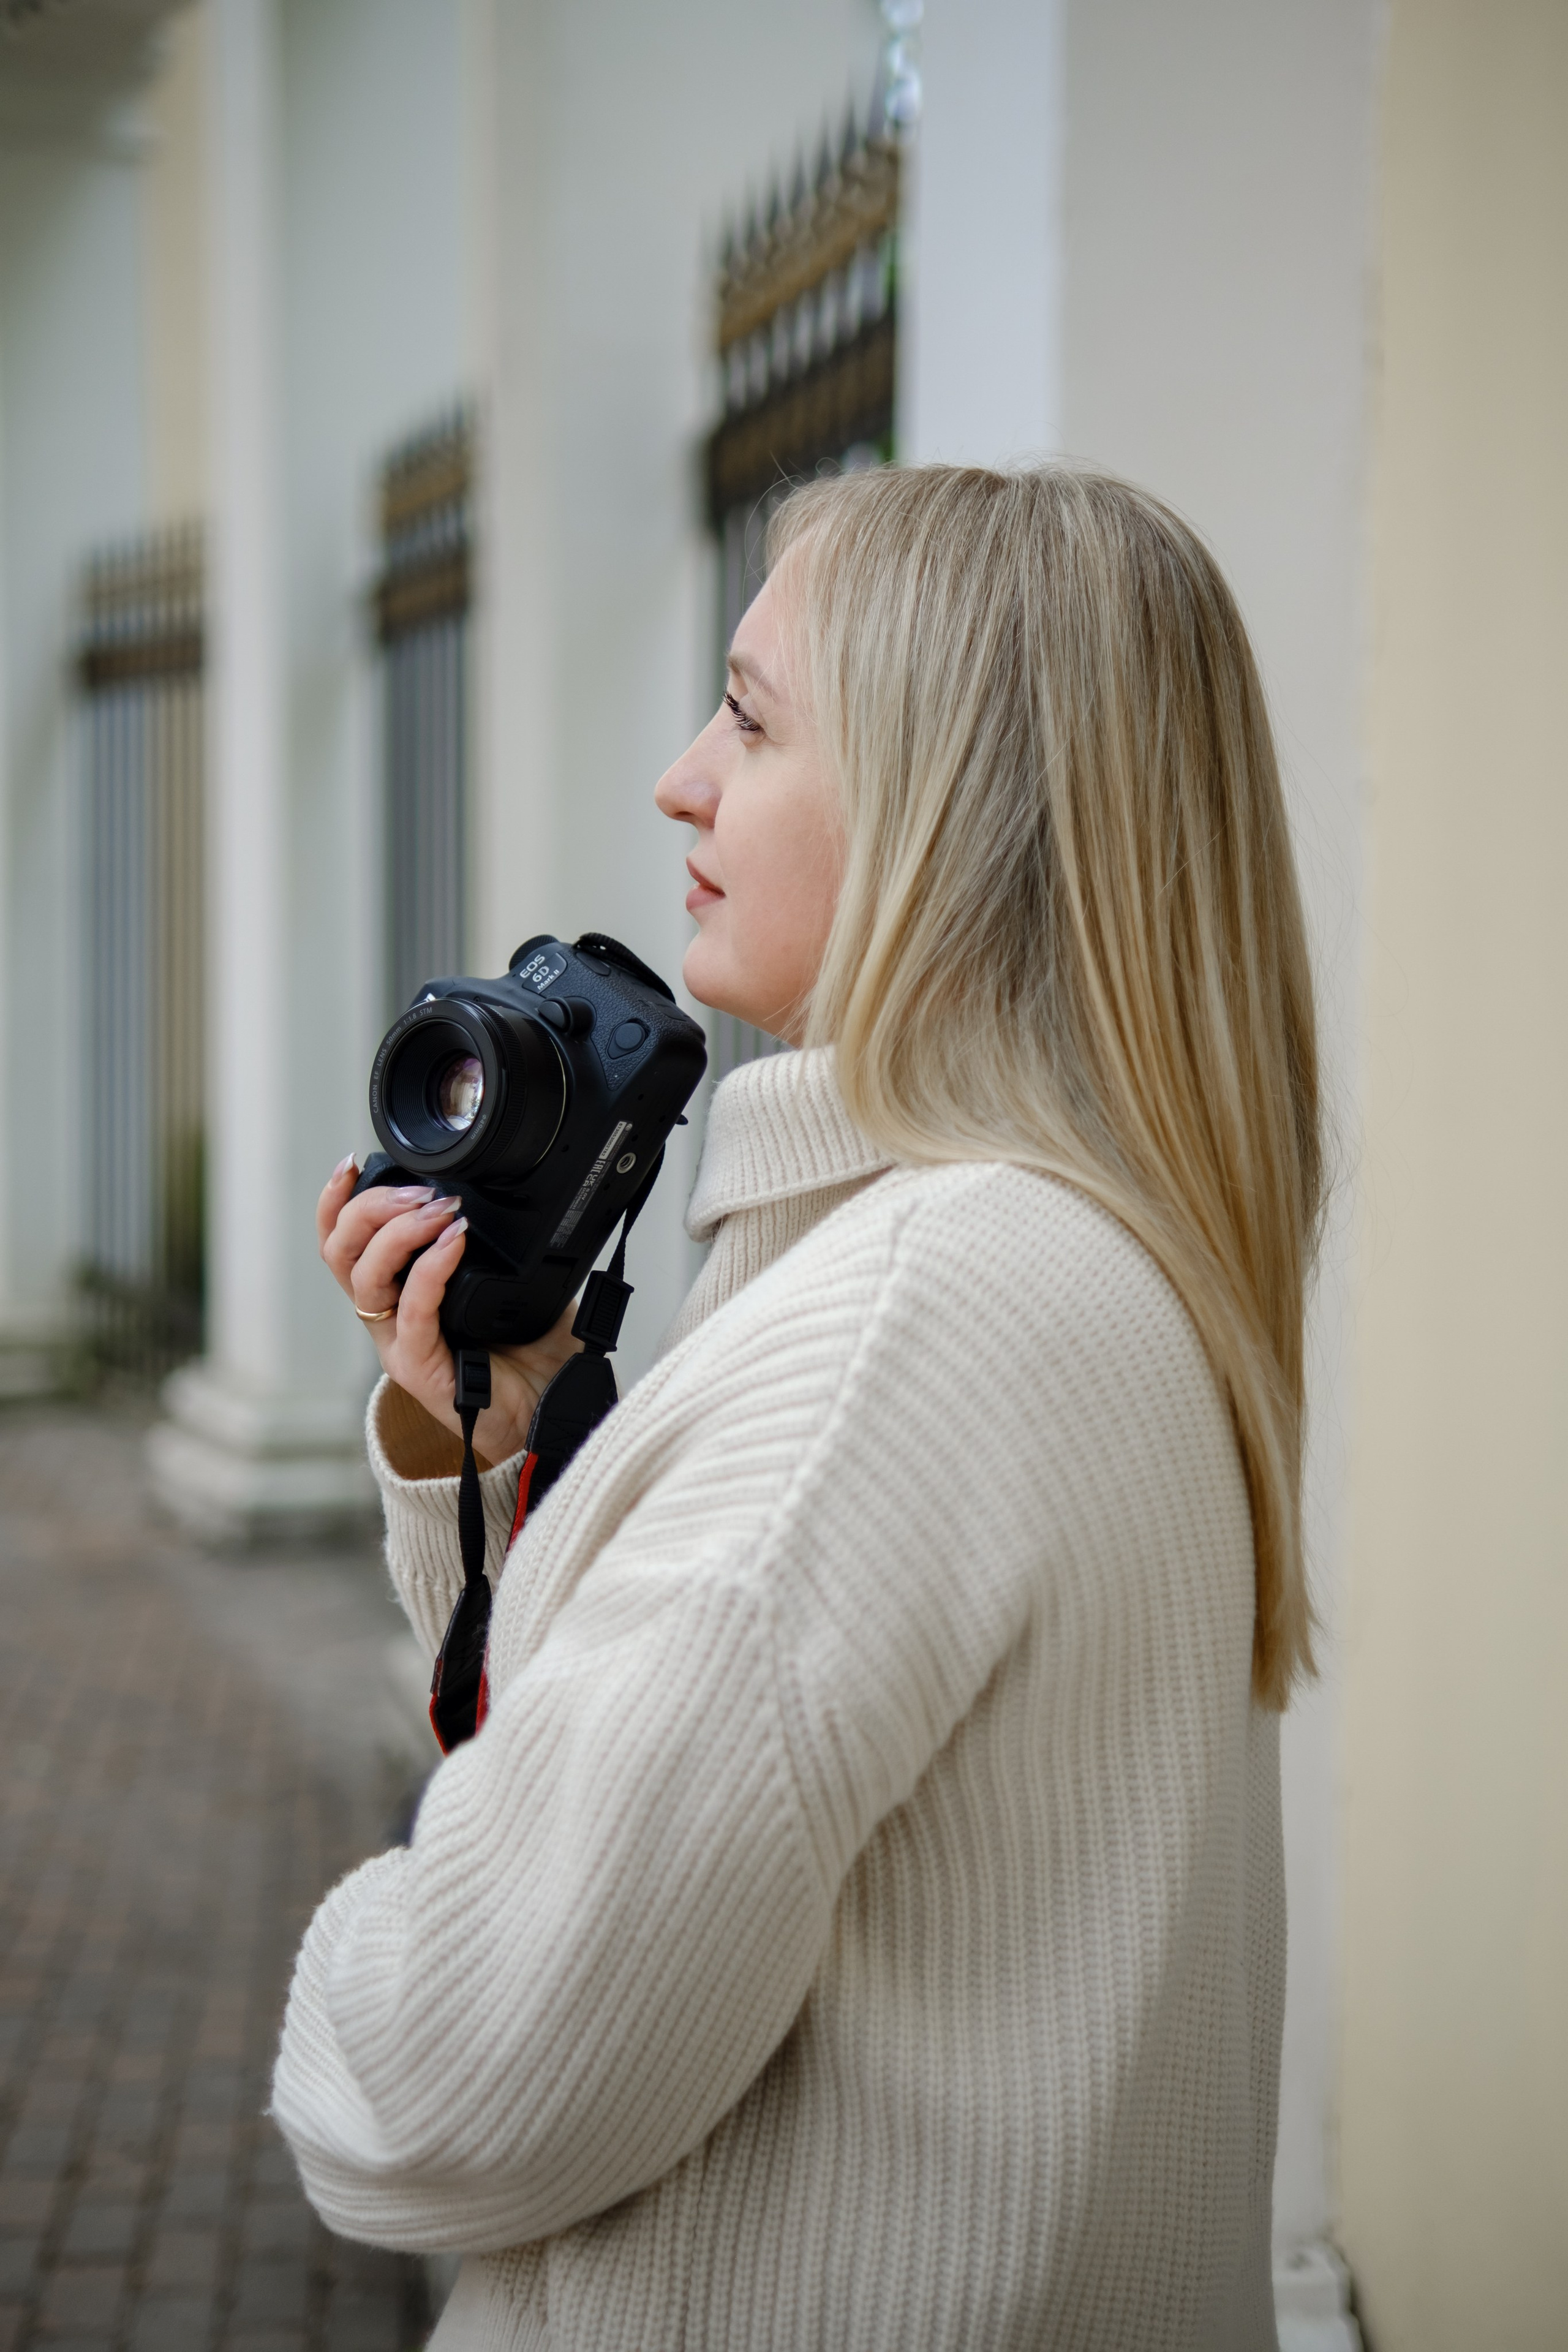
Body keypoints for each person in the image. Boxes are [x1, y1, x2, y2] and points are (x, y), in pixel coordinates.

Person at [274, 462, 1322, 2351]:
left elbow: (442, 2091)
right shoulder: (1083, 1254)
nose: (682, 778)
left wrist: (389, 1930)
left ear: (950, 805)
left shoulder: (901, 1334)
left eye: (750, 722)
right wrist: (480, 1453)